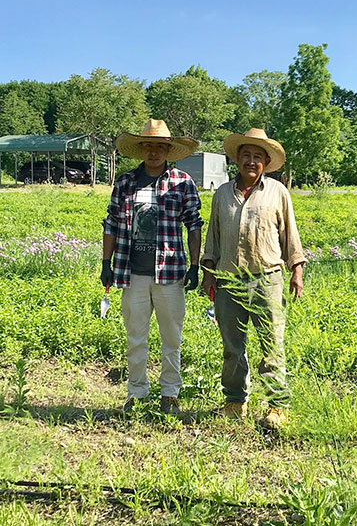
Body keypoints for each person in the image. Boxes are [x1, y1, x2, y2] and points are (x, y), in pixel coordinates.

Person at [201, 128, 305, 428]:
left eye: (257, 156)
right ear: (236, 159)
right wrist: (209, 271)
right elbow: (214, 235)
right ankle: (235, 401)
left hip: (267, 279)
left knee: (272, 345)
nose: (250, 161)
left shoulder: (278, 192)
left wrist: (296, 269)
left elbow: (290, 234)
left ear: (266, 161)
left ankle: (277, 406)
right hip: (229, 281)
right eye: (245, 155)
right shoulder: (222, 194)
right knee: (232, 347)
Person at [101, 119, 203, 415]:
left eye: (160, 146)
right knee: (136, 337)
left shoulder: (182, 182)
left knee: (172, 337)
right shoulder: (125, 182)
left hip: (170, 274)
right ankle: (137, 392)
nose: (154, 152)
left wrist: (195, 265)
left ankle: (170, 392)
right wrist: (106, 263)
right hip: (132, 273)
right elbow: (112, 223)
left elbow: (194, 225)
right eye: (149, 146)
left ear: (168, 150)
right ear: (141, 149)